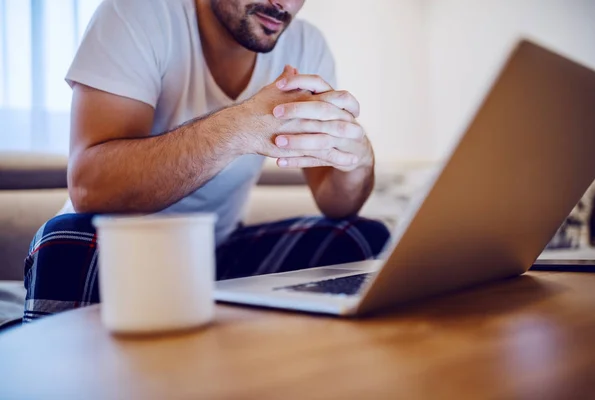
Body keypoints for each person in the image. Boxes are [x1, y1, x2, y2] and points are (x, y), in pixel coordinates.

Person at [23, 0, 390, 322]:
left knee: (360, 237)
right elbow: (90, 189)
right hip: (118, 255)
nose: (284, 4)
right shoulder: (137, 13)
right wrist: (237, 127)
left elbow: (336, 203)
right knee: (64, 241)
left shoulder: (307, 45)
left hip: (217, 256)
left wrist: (357, 161)